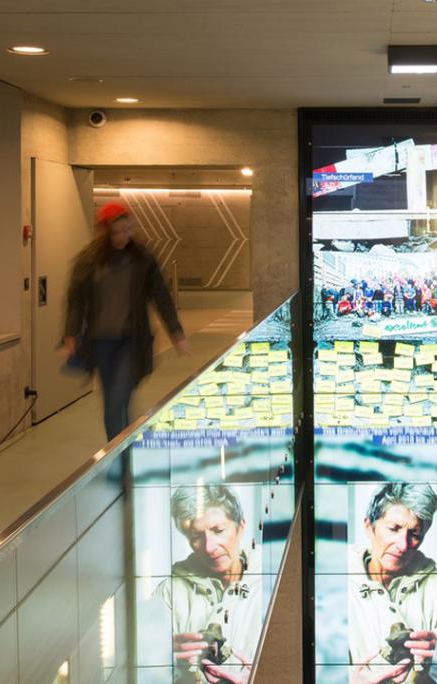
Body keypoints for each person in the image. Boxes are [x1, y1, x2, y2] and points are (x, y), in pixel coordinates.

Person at [61, 202, 188, 440]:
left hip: (131, 340)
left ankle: (122, 456)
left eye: (127, 230)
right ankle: (119, 454)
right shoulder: (89, 261)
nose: (122, 237)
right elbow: (76, 299)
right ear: (104, 232)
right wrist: (70, 334)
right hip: (101, 342)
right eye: (116, 232)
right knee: (112, 404)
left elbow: (161, 296)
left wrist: (176, 331)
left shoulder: (143, 259)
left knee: (119, 396)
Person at [348, 483, 437, 684]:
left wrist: (430, 671)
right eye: (393, 528)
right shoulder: (335, 581)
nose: (403, 545)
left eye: (415, 534)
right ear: (368, 527)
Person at [155, 484, 261, 684]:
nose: (209, 547)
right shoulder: (168, 592)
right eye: (196, 537)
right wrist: (163, 659)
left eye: (218, 530)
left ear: (241, 528)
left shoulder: (274, 581)